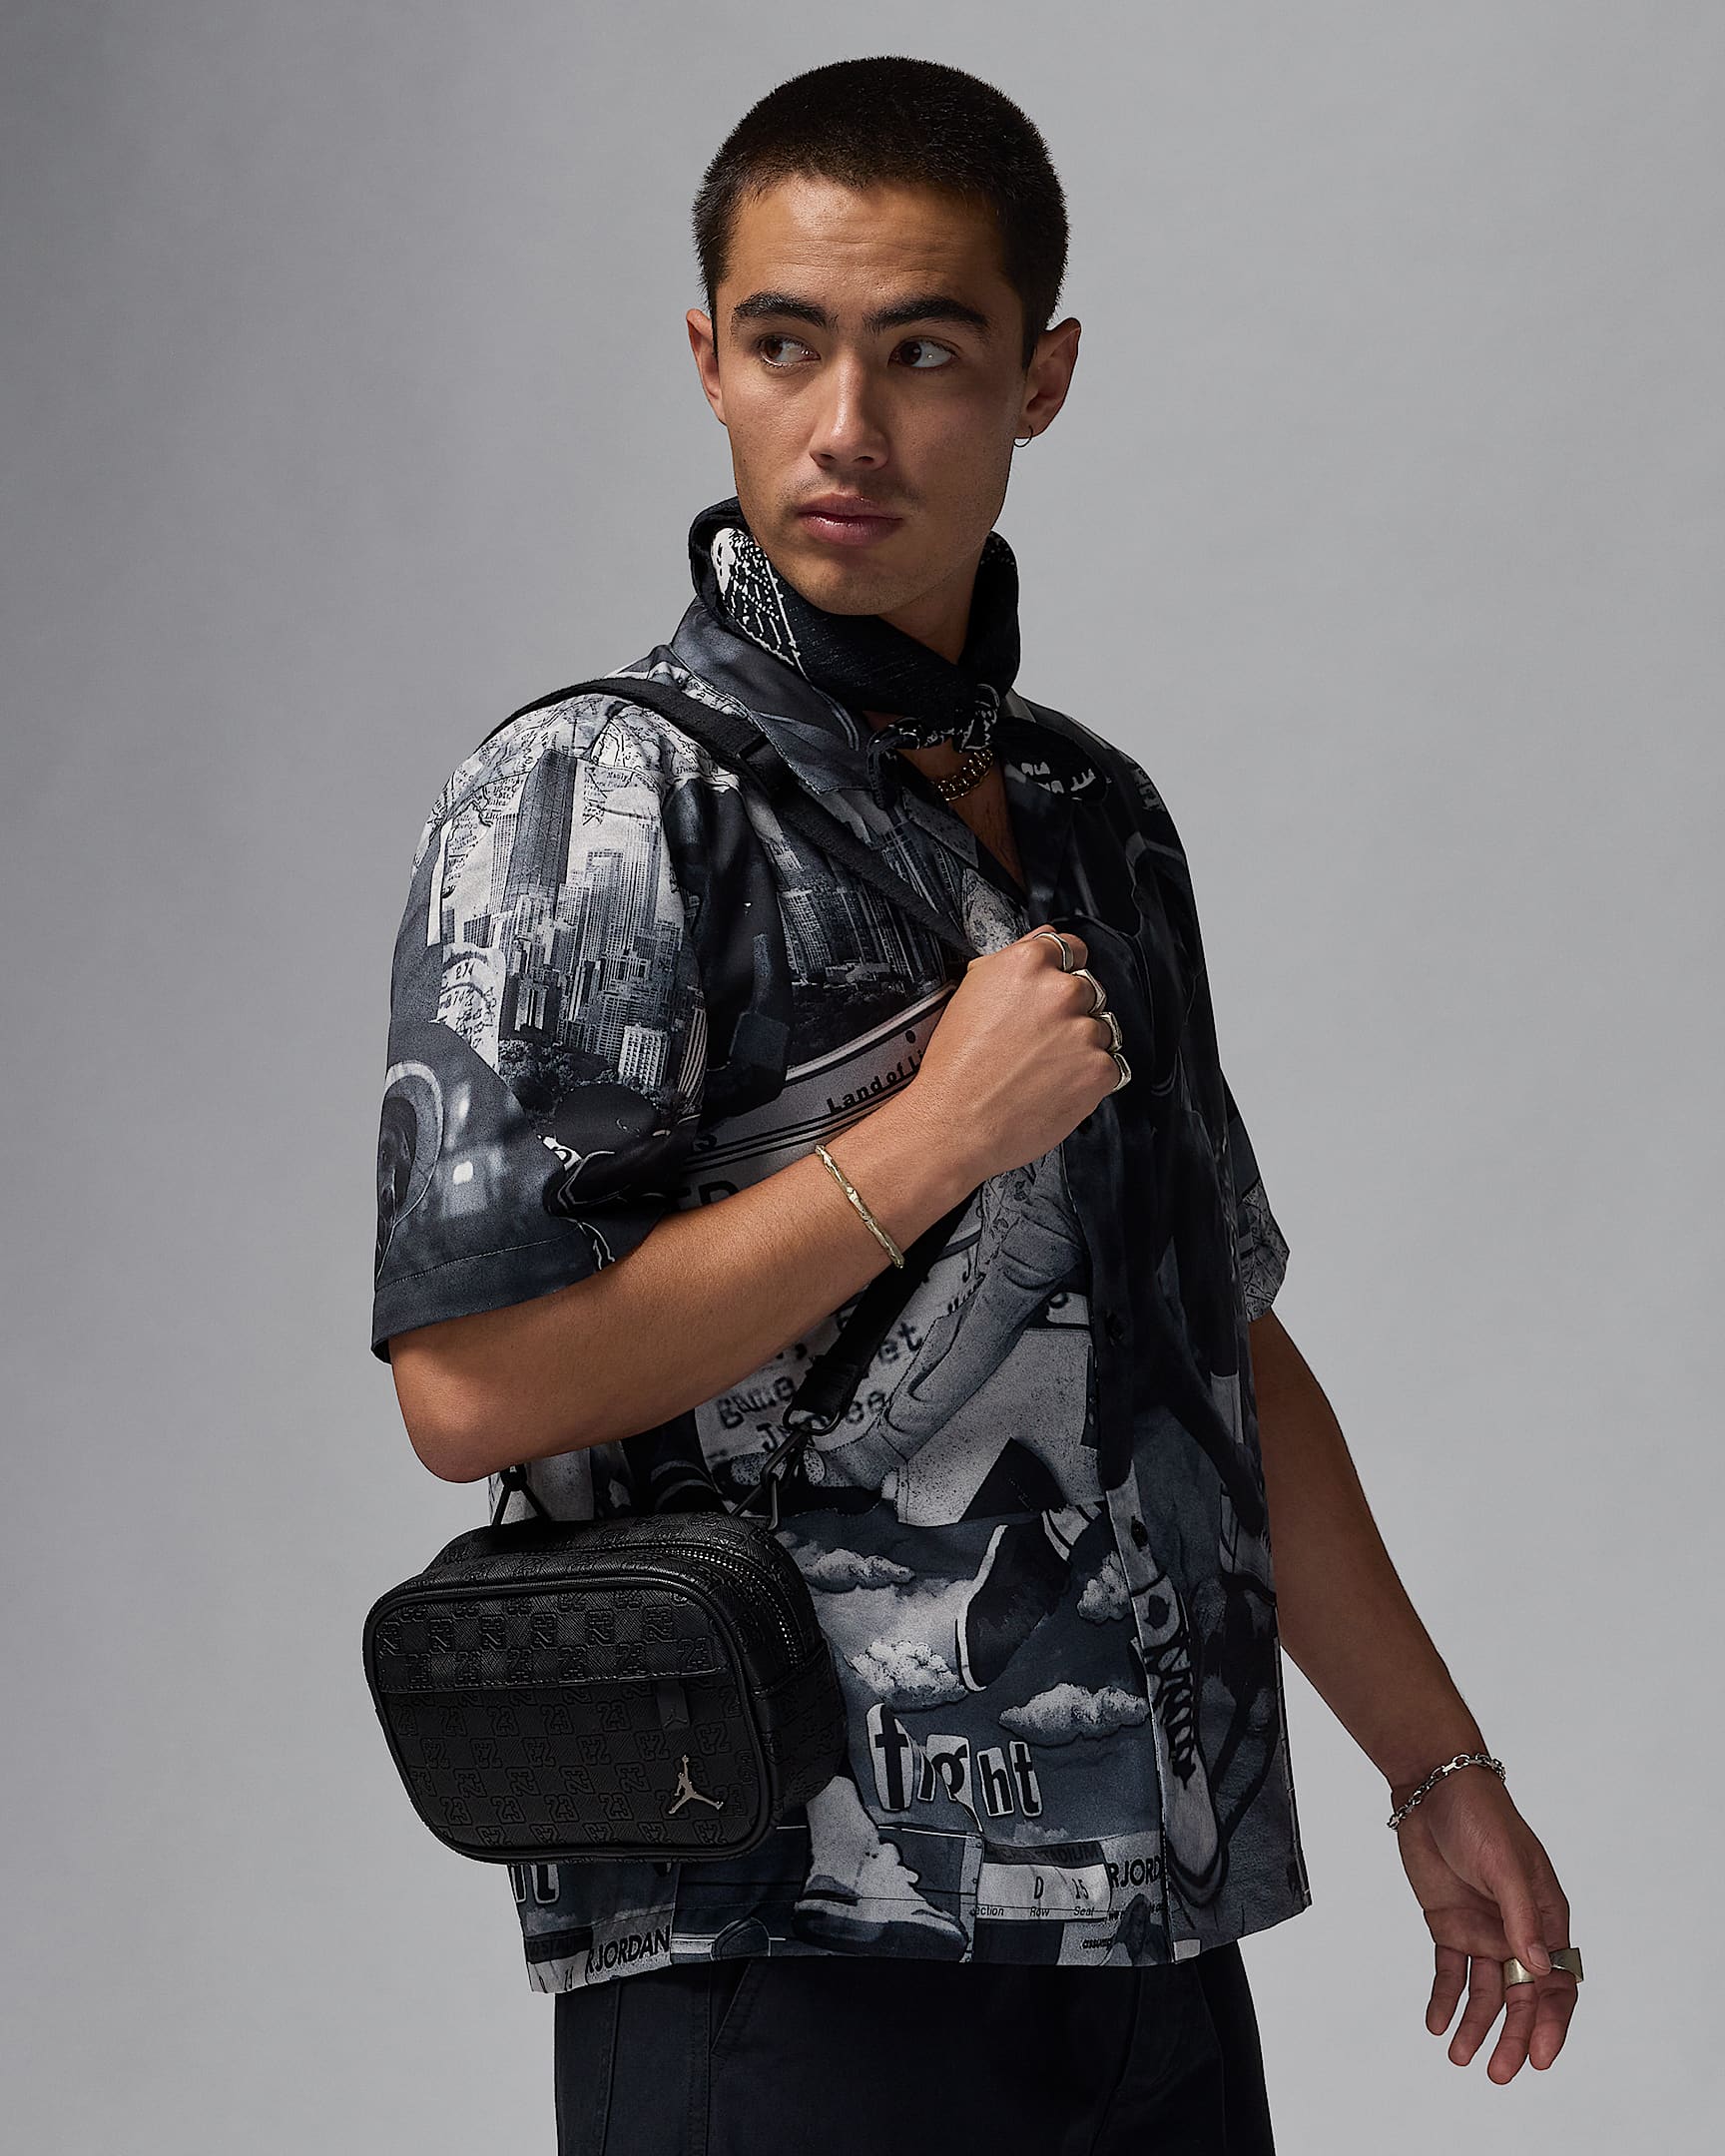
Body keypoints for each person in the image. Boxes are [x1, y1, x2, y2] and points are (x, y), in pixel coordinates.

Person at [369, 55, 1581, 2155]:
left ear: (1043, 379)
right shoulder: (593, 798)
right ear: (707, 361)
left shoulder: (1099, 819)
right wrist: (932, 1141)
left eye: (925, 352)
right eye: (786, 345)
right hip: (777, 1936)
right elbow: (471, 1390)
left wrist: (1436, 1764)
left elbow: (1211, 1337)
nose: (847, 426)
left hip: (1145, 1929)